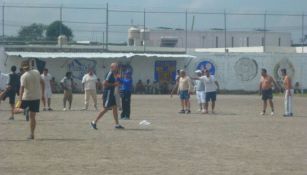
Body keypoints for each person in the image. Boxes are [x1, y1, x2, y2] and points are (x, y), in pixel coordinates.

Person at [91, 63, 124, 130]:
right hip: (108, 93)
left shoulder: (115, 74)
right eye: (116, 67)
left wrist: (118, 83)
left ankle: (117, 124)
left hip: (112, 93)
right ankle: (94, 122)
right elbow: (104, 83)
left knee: (115, 108)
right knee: (106, 109)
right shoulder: (109, 74)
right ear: (112, 67)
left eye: (117, 67)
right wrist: (114, 84)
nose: (117, 68)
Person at [19, 60, 45, 140]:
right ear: (29, 66)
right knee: (32, 117)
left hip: (26, 97)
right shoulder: (36, 72)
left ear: (22, 68)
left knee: (18, 109)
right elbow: (42, 82)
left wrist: (20, 99)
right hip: (36, 97)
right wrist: (42, 94)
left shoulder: (23, 76)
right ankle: (32, 134)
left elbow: (22, 88)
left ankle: (25, 110)